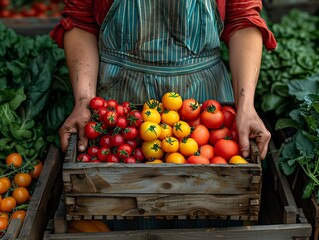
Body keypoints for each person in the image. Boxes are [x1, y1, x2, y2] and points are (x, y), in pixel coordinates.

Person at [50, 0, 277, 160]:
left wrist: (246, 107)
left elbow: (243, 19)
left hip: (204, 108)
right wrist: (84, 100)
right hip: (122, 110)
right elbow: (81, 21)